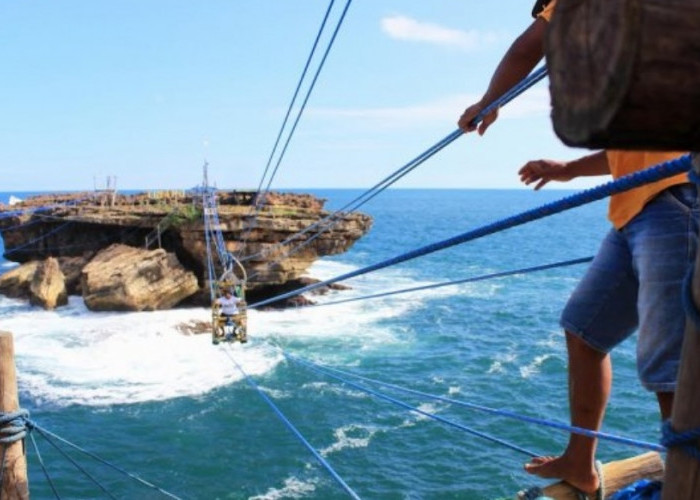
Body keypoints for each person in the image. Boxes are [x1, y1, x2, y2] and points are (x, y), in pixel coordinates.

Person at [458, 1, 696, 496]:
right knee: (584, 330)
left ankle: (687, 479)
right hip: (635, 211)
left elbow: (527, 49)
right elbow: (634, 149)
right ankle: (580, 461)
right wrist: (566, 170)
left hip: (676, 200)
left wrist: (490, 100)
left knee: (669, 363)